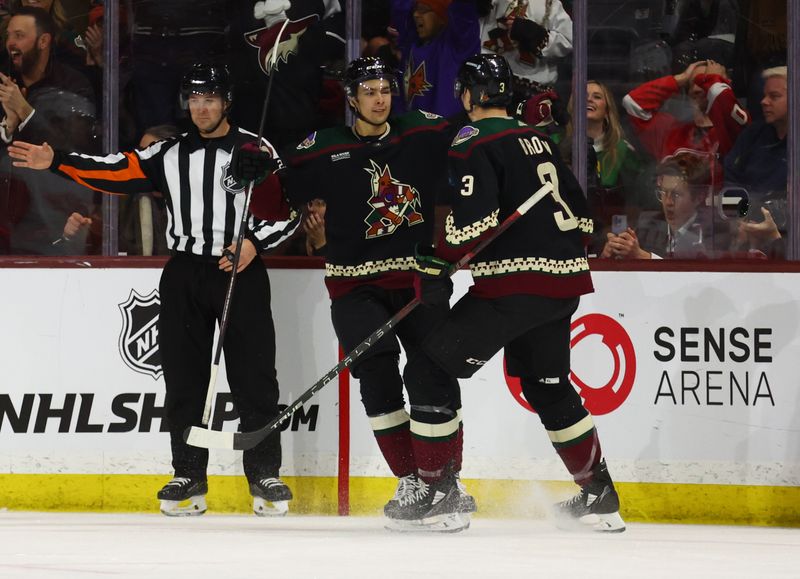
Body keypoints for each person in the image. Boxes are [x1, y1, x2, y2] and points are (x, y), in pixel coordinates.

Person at [8, 63, 300, 517]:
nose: (201, 108)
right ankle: (188, 474)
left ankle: (264, 474)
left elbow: (289, 212)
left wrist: (253, 243)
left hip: (240, 273)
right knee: (184, 378)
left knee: (255, 377)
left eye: (210, 98)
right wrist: (59, 161)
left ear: (226, 101)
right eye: (194, 99)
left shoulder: (255, 147)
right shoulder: (168, 152)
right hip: (184, 273)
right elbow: (114, 170)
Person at [236, 56, 476, 532]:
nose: (379, 98)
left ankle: (446, 482)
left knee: (436, 374)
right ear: (351, 99)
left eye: (384, 89)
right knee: (379, 381)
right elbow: (277, 201)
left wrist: (518, 120)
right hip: (354, 286)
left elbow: (477, 145)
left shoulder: (422, 131)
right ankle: (411, 479)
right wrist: (258, 174)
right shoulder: (323, 147)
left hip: (416, 280)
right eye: (368, 91)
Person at [406, 53, 625, 532]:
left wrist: (437, 255)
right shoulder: (537, 139)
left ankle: (437, 492)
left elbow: (475, 224)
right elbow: (584, 220)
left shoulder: (472, 140)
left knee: (426, 369)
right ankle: (599, 494)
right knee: (547, 385)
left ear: (471, 95)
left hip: (514, 287)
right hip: (563, 282)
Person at [0, 6, 98, 254]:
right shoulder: (3, 81)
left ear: (43, 41)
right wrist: (8, 128)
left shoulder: (74, 85)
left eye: (19, 36)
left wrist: (27, 113)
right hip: (6, 223)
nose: (11, 43)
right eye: (8, 35)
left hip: (56, 220)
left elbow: (76, 147)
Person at [622, 58, 749, 189]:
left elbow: (724, 103)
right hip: (673, 206)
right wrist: (680, 79)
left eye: (705, 80)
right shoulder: (670, 131)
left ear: (724, 85)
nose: (697, 87)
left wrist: (715, 82)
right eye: (692, 82)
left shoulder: (735, 131)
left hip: (722, 208)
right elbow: (633, 103)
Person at [564, 80, 642, 253]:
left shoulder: (624, 153)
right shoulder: (556, 146)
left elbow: (632, 208)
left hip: (608, 243)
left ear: (607, 111)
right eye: (583, 97)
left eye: (597, 97)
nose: (589, 100)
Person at [723, 66, 787, 259]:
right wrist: (737, 220)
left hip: (788, 242)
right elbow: (730, 181)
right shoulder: (752, 135)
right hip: (746, 233)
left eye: (774, 96)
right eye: (764, 95)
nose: (764, 102)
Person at [601, 152, 711, 260]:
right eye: (663, 193)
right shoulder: (647, 225)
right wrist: (611, 255)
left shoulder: (716, 233)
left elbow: (692, 275)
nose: (668, 202)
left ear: (699, 197)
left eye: (676, 195)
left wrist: (642, 256)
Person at [392, 0, 480, 117]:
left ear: (442, 17)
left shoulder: (457, 46)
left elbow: (463, 13)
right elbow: (401, 10)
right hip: (410, 128)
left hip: (447, 130)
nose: (416, 14)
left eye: (423, 9)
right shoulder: (412, 43)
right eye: (415, 9)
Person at [478, 0, 573, 87]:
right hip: (486, 78)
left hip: (531, 86)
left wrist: (537, 35)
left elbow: (568, 40)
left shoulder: (550, 3)